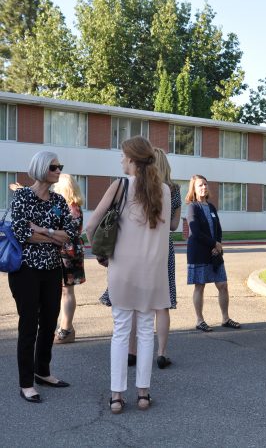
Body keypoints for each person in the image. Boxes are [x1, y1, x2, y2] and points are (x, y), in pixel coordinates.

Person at [86, 136, 171, 414]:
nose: (121, 160)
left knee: (121, 331)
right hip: (153, 271)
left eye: (123, 156)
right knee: (146, 331)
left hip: (122, 269)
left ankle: (116, 396)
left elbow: (92, 225)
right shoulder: (165, 191)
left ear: (133, 159)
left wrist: (101, 253)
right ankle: (143, 393)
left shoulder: (120, 186)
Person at [8, 151, 77, 403]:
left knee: (49, 322)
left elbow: (69, 234)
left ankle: (42, 371)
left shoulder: (59, 200)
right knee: (28, 325)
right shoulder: (23, 196)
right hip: (25, 270)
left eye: (60, 166)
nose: (59, 170)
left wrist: (42, 230)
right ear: (41, 168)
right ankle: (26, 382)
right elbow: (21, 233)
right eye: (54, 166)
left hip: (51, 268)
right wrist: (51, 234)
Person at [128, 147, 181, 369]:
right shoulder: (174, 189)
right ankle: (161, 352)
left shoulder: (137, 186)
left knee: (133, 302)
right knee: (162, 302)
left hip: (138, 247)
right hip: (163, 248)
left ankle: (131, 351)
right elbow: (173, 225)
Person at [186, 174, 240, 332]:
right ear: (194, 189)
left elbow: (218, 229)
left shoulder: (211, 207)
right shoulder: (192, 207)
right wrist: (213, 243)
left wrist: (218, 244)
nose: (203, 187)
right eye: (199, 185)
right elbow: (195, 231)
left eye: (205, 184)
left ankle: (225, 318)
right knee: (200, 286)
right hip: (199, 252)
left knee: (223, 285)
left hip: (215, 252)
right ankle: (199, 320)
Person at [52, 174, 86, 344]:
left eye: (57, 187)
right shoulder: (70, 206)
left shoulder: (71, 208)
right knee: (64, 291)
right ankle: (64, 328)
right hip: (69, 252)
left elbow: (67, 233)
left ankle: (66, 329)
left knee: (67, 290)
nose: (54, 189)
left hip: (68, 253)